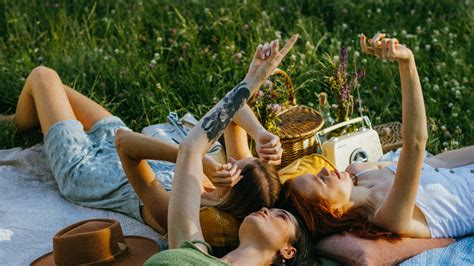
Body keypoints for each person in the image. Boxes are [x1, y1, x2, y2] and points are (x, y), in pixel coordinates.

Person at [3, 52, 283, 237]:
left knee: (43, 76)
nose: (230, 159)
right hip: (109, 143)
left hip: (84, 167)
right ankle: (18, 120)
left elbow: (126, 143)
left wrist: (196, 159)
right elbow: (231, 111)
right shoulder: (222, 182)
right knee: (52, 91)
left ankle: (13, 124)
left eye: (237, 164)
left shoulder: (177, 213)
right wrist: (258, 133)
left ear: (229, 198)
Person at [144, 34, 314, 266]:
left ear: (287, 252)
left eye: (281, 215)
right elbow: (191, 149)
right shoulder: (193, 248)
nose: (266, 210)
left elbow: (191, 149)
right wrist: (251, 82)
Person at [284, 33, 474, 240]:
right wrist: (407, 62)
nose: (323, 169)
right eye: (320, 181)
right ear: (334, 210)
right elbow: (416, 144)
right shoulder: (388, 217)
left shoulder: (360, 170)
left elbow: (438, 161)